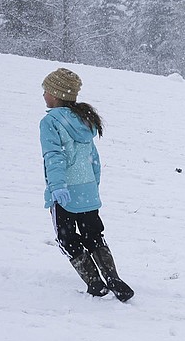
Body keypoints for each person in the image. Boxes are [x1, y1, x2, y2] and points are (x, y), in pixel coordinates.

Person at [39, 68, 135, 301]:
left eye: (46, 90)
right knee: (94, 235)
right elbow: (94, 159)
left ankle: (95, 284)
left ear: (56, 94)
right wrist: (93, 185)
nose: (43, 95)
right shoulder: (84, 119)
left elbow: (54, 156)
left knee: (66, 239)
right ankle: (113, 279)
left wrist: (57, 186)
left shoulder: (50, 122)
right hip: (87, 190)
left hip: (65, 192)